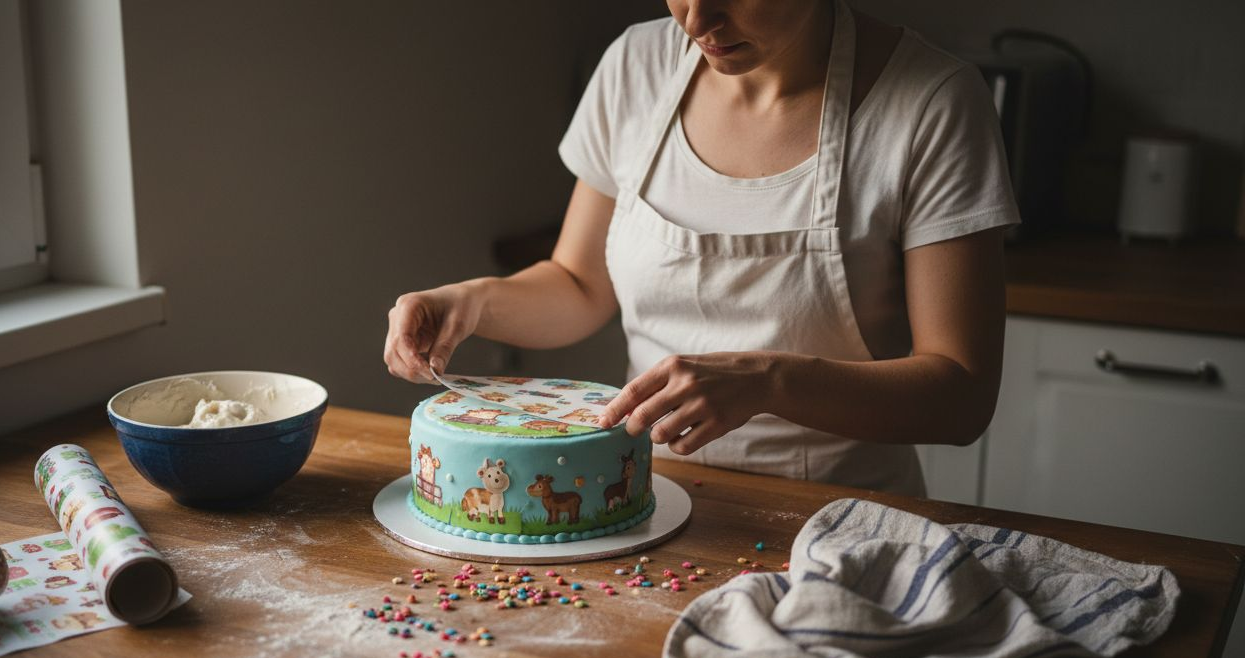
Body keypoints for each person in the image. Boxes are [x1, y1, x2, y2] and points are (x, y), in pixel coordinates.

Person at [383, 0, 1019, 496]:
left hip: (840, 519)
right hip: (642, 499)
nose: (699, 20)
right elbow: (578, 285)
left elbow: (960, 397)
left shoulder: (932, 103)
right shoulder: (635, 66)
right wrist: (467, 302)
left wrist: (769, 381)